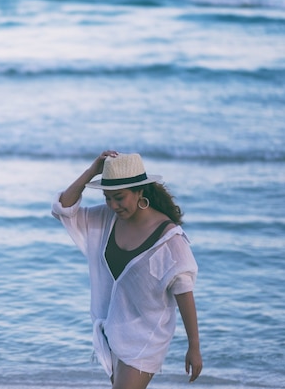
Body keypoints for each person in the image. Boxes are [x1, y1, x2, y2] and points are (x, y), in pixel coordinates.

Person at [51, 151, 202, 389]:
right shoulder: (106, 219)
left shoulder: (169, 238)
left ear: (140, 191)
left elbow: (184, 289)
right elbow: (64, 208)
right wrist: (92, 171)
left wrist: (194, 346)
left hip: (146, 337)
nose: (113, 205)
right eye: (107, 197)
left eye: (119, 198)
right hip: (112, 331)